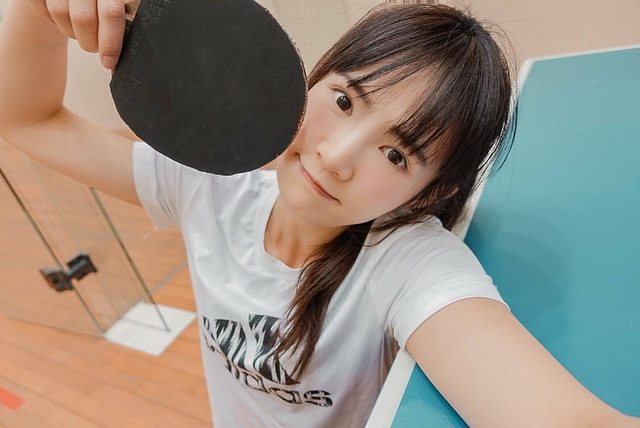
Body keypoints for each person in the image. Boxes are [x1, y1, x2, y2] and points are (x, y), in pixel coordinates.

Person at [0, 1, 638, 427]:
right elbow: (27, 119)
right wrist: (36, 6)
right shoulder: (212, 187)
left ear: (427, 194)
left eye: (396, 154)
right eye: (345, 100)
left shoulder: (408, 265)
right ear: (310, 81)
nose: (336, 157)